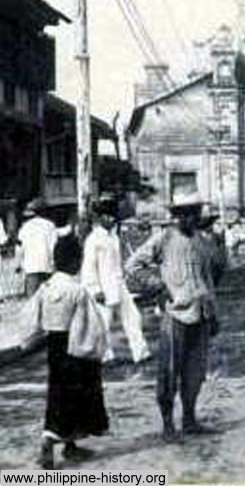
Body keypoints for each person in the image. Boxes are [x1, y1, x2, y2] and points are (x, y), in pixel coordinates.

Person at [125, 194, 219, 442]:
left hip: (201, 313)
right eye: (185, 213)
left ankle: (189, 419)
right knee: (169, 371)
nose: (191, 218)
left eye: (195, 213)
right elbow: (133, 266)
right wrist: (159, 286)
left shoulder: (202, 241)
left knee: (195, 371)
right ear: (177, 215)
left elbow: (208, 278)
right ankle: (168, 425)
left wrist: (214, 312)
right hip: (176, 315)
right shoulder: (164, 238)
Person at [23, 234, 109, 469]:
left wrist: (31, 338)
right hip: (74, 345)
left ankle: (69, 444)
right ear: (74, 262)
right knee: (75, 395)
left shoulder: (45, 288)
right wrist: (95, 350)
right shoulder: (77, 290)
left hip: (54, 345)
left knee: (57, 392)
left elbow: (31, 318)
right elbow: (89, 325)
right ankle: (50, 441)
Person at [81, 196, 151, 366]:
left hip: (119, 284)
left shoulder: (114, 237)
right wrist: (95, 288)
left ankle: (140, 353)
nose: (111, 219)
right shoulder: (93, 239)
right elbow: (89, 267)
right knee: (103, 323)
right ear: (100, 218)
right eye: (107, 216)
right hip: (102, 287)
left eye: (113, 216)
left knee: (133, 317)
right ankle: (106, 356)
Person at [16, 198, 61, 297]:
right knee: (48, 299)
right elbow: (54, 246)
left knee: (32, 302)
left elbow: (20, 247)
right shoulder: (50, 226)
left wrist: (18, 264)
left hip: (30, 267)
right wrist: (54, 263)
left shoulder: (25, 227)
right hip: (47, 266)